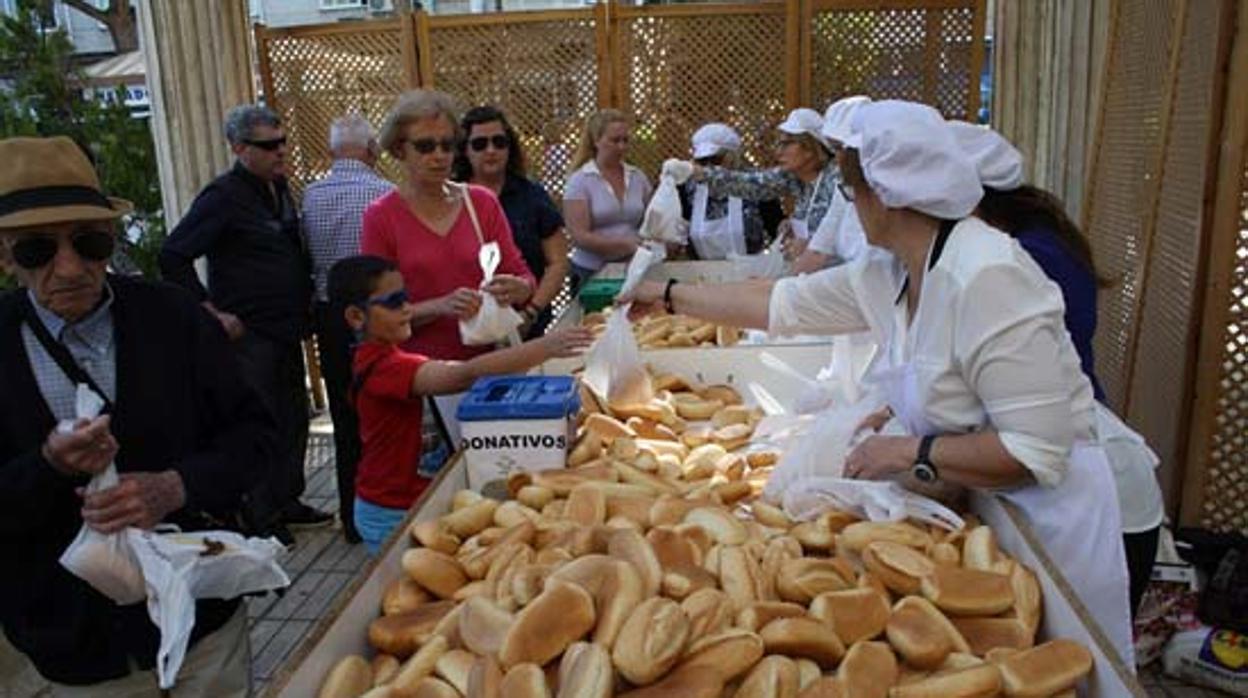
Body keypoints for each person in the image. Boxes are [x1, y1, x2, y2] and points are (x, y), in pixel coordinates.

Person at [624, 101, 1135, 665]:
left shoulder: (988, 277)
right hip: (993, 514)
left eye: (850, 186)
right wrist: (667, 294)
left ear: (887, 192)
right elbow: (780, 304)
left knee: (1071, 668)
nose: (848, 202)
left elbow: (1032, 449)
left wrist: (908, 449)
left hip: (1054, 527)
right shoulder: (893, 268)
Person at [0, 136, 277, 696]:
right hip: (75, 650)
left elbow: (256, 436)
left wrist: (175, 487)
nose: (72, 267)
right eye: (37, 251)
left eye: (90, 241)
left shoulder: (172, 317)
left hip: (203, 625)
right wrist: (48, 465)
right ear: (3, 256)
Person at [949, 119, 1165, 616]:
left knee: (1093, 655)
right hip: (1077, 468)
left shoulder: (1014, 261)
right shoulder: (1021, 241)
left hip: (1101, 486)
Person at [327, 255, 593, 553]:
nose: (406, 308)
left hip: (411, 498)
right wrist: (544, 347)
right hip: (390, 508)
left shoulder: (393, 359)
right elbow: (463, 375)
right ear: (356, 317)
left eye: (406, 297)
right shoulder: (382, 367)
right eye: (393, 302)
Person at [160, 104, 330, 545]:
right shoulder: (222, 197)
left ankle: (287, 498)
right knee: (260, 423)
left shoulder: (278, 188)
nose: (280, 151)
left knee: (295, 418)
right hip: (248, 335)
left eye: (282, 141)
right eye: (268, 145)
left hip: (287, 328)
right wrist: (211, 313)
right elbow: (173, 256)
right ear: (239, 148)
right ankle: (259, 513)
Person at [362, 90, 536, 363]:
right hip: (423, 374)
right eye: (425, 146)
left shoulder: (481, 203)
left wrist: (518, 288)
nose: (439, 155)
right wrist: (440, 306)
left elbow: (523, 276)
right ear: (399, 149)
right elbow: (377, 314)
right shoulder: (381, 217)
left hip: (490, 363)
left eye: (447, 145)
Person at [303, 114, 394, 544]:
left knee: (344, 416)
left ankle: (351, 517)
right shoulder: (384, 194)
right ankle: (382, 506)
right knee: (380, 415)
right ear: (372, 150)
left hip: (328, 317)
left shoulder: (310, 196)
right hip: (373, 316)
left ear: (333, 151)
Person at [665, 108, 839, 267]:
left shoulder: (836, 183)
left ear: (809, 149)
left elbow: (848, 237)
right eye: (703, 162)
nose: (779, 151)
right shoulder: (792, 178)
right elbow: (753, 184)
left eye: (786, 144)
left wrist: (811, 244)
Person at [453, 106, 568, 337]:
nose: (491, 150)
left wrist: (531, 312)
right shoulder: (449, 198)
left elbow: (558, 262)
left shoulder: (532, 196)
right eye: (480, 144)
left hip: (527, 326)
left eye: (499, 142)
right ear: (464, 150)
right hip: (466, 329)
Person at [564, 109, 653, 288]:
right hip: (591, 272)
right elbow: (579, 236)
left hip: (632, 269)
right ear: (596, 141)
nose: (621, 146)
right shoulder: (580, 181)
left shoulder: (638, 177)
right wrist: (622, 245)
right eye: (614, 140)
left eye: (625, 140)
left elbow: (650, 222)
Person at [677, 123, 783, 260]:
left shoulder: (755, 184)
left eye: (715, 160)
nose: (709, 167)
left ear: (733, 157)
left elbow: (776, 228)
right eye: (703, 161)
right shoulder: (687, 188)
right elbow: (677, 233)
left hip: (751, 274)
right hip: (701, 274)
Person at [796, 96, 872, 274]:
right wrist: (779, 286)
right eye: (834, 149)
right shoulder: (844, 189)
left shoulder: (886, 196)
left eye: (841, 148)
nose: (838, 158)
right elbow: (817, 251)